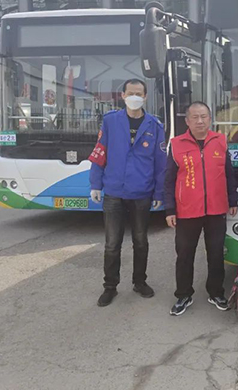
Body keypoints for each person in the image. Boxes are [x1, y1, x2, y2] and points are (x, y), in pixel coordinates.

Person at [89, 78, 166, 307]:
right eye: (130, 93)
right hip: (114, 192)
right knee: (112, 244)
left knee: (140, 241)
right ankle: (110, 287)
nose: (134, 97)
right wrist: (95, 184)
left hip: (142, 192)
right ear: (122, 95)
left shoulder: (154, 125)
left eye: (139, 93)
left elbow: (160, 163)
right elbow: (100, 152)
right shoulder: (110, 121)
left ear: (145, 97)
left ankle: (139, 282)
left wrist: (159, 193)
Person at [164, 102, 238, 316]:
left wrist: (232, 200)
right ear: (187, 121)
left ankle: (216, 292)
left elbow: (229, 174)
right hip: (187, 210)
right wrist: (170, 209)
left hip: (216, 209)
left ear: (210, 119)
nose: (200, 121)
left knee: (216, 254)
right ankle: (183, 294)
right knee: (184, 254)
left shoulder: (220, 141)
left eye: (204, 116)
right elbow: (168, 180)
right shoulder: (176, 144)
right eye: (195, 117)